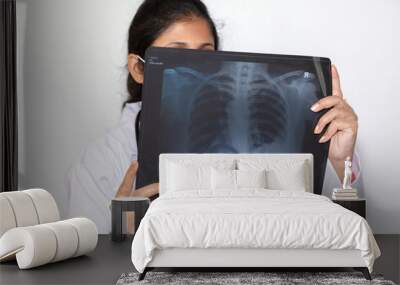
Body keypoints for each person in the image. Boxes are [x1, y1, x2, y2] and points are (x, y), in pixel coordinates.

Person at [67, 0, 359, 233]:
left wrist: (338, 159)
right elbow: (86, 253)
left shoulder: (250, 137)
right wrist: (123, 225)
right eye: (178, 56)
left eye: (206, 55)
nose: (197, 69)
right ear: (139, 69)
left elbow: (346, 229)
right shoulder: (98, 162)